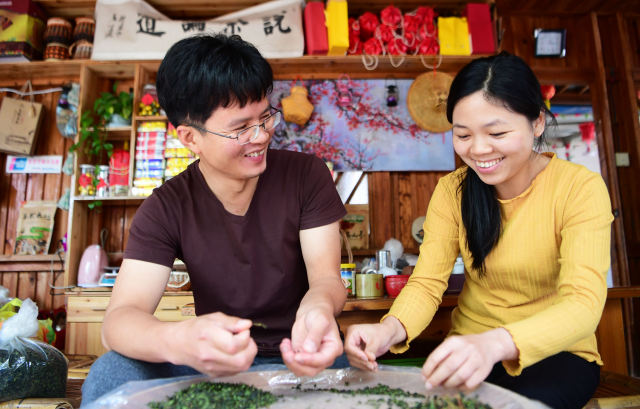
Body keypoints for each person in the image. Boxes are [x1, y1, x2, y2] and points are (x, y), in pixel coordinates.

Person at [81, 34, 348, 405]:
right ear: (190, 138)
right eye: (241, 128)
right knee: (112, 372)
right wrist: (177, 340)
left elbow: (327, 279)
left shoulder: (307, 175)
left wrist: (318, 307)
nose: (261, 136)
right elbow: (119, 321)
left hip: (303, 355)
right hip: (212, 364)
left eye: (265, 117)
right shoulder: (166, 207)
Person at [344, 52, 613, 409]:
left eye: (497, 133)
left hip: (558, 355)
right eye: (463, 135)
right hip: (469, 351)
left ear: (537, 123)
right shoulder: (453, 191)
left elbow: (582, 304)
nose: (479, 149)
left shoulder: (580, 188)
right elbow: (426, 284)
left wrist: (496, 343)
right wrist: (387, 329)